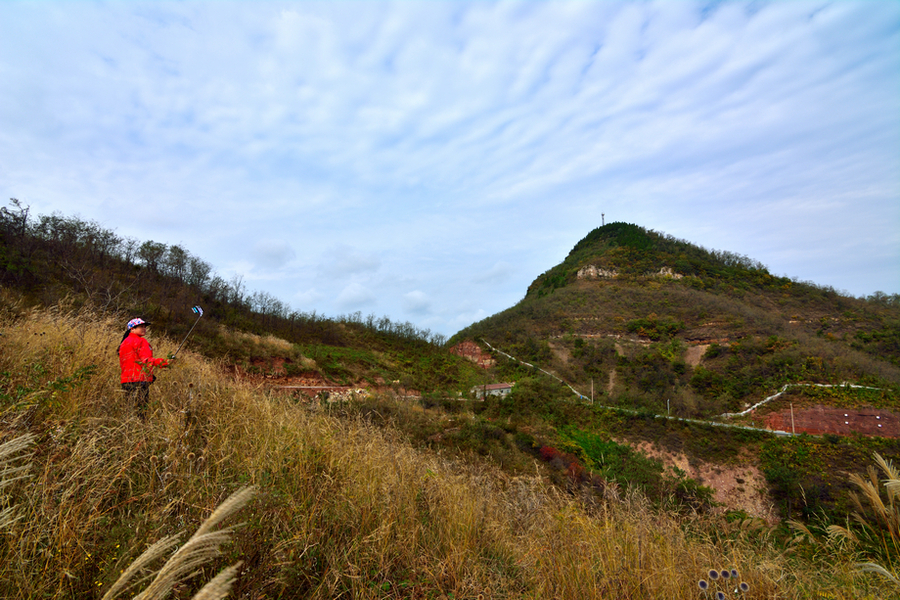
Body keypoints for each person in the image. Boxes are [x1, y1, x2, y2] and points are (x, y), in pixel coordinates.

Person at [118, 318, 171, 419]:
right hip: (139, 380)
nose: (144, 328)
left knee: (129, 411)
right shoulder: (141, 341)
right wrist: (164, 363)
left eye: (144, 326)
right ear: (132, 329)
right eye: (140, 326)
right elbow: (146, 360)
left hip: (126, 381)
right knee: (141, 412)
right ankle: (141, 431)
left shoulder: (124, 343)